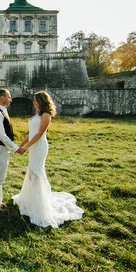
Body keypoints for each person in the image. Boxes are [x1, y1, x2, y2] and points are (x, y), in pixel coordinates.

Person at [12, 91, 84, 227]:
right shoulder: (37, 114)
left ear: (41, 101)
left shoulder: (46, 115)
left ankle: (39, 204)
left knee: (36, 172)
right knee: (31, 171)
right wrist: (20, 146)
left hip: (39, 148)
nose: (33, 102)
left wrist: (26, 148)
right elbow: (30, 132)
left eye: (35, 100)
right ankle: (31, 199)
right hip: (33, 146)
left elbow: (39, 133)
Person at [0, 89, 23, 211]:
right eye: (9, 97)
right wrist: (16, 148)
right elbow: (1, 135)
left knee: (1, 178)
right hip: (0, 148)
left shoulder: (3, 111)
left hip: (3, 148)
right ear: (2, 98)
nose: (11, 100)